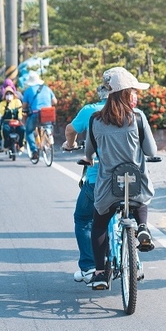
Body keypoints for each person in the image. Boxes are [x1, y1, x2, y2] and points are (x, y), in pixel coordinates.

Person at [83, 67, 157, 290]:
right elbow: (151, 150)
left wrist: (88, 159)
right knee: (141, 198)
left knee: (99, 225)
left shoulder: (95, 120)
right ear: (126, 93)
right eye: (134, 91)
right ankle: (142, 227)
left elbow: (89, 153)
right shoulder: (138, 117)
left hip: (108, 186)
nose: (136, 95)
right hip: (136, 182)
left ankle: (99, 273)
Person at [62, 83, 108, 284]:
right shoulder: (135, 112)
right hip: (131, 179)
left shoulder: (92, 111)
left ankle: (89, 267)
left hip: (98, 179)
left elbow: (70, 130)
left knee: (83, 219)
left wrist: (70, 145)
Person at [21, 71, 57, 161]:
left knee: (29, 131)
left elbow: (24, 106)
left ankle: (34, 150)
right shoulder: (47, 89)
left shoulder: (28, 91)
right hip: (48, 113)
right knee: (47, 127)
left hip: (35, 114)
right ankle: (47, 140)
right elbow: (55, 102)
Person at [0, 86, 24, 152]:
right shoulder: (2, 103)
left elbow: (20, 111)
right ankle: (6, 145)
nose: (9, 95)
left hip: (16, 121)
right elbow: (2, 113)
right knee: (4, 130)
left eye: (10, 94)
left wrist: (19, 118)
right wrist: (7, 105)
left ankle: (21, 145)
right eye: (7, 94)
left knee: (22, 129)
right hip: (6, 121)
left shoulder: (17, 101)